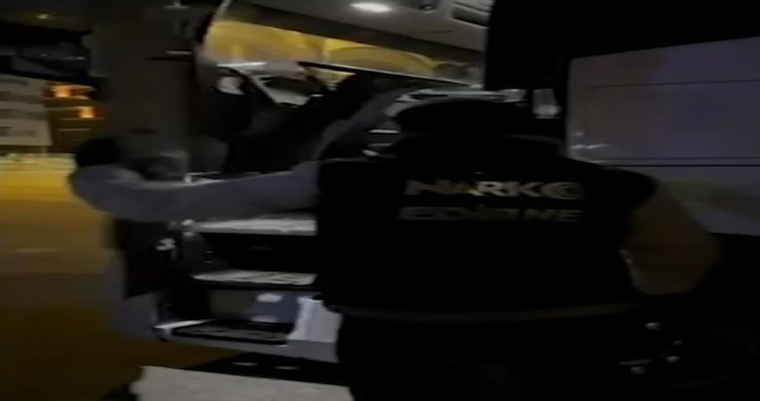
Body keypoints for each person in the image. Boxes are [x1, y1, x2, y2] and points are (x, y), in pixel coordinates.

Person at [70, 99, 724, 400]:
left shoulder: (342, 177)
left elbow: (158, 206)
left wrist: (105, 170)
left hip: (398, 341)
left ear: (408, 135)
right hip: (572, 341)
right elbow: (683, 258)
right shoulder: (614, 184)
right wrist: (639, 302)